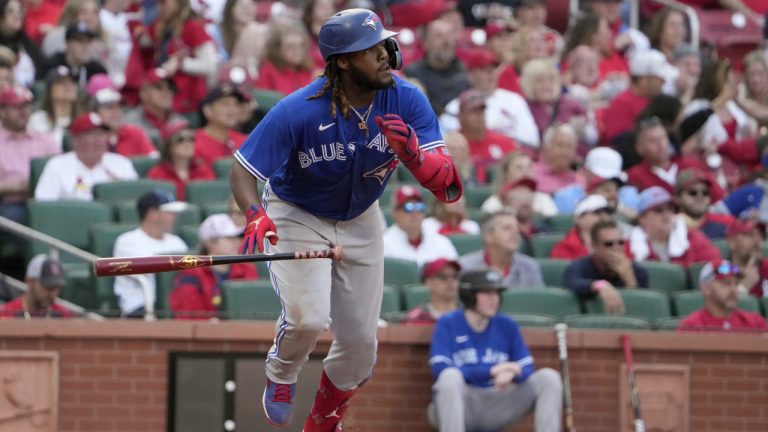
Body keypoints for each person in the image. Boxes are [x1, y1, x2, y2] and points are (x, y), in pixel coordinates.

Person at [229, 9, 462, 431]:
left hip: (361, 216)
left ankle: (323, 420)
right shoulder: (297, 109)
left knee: (360, 347)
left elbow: (448, 184)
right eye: (369, 50)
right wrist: (254, 213)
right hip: (297, 212)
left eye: (383, 45)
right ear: (342, 61)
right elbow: (244, 169)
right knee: (308, 319)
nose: (384, 55)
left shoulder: (406, 99)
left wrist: (413, 156)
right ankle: (281, 374)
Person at [428, 267, 563, 432]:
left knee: (548, 378)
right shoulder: (448, 322)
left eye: (497, 294)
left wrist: (513, 372)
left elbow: (527, 367)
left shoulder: (507, 325)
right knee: (449, 377)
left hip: (498, 401)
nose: (494, 300)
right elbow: (439, 367)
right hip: (464, 402)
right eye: (487, 294)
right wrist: (491, 371)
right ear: (469, 295)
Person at [112, 189, 189, 316]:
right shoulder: (127, 241)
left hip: (172, 305)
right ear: (153, 213)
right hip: (139, 307)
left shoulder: (177, 242)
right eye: (170, 213)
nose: (175, 217)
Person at [169, 213, 258, 320]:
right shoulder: (191, 273)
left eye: (238, 237)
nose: (236, 242)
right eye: (229, 238)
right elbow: (186, 314)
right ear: (211, 243)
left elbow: (253, 307)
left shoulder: (246, 269)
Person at [34, 112, 138, 200]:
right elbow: (43, 203)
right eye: (91, 135)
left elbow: (135, 202)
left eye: (101, 134)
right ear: (75, 140)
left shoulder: (121, 163)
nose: (98, 140)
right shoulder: (56, 165)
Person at [563, 220, 649, 314]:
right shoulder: (579, 266)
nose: (616, 248)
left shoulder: (638, 271)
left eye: (620, 243)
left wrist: (630, 280)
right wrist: (599, 285)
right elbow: (571, 282)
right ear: (594, 246)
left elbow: (642, 309)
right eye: (608, 244)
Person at [0, 86, 58, 222]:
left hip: (46, 201)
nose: (24, 112)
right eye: (17, 108)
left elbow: (62, 170)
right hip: (10, 203)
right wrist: (17, 187)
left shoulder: (45, 139)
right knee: (18, 216)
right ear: (2, 111)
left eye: (26, 107)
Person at [625, 186, 721, 267]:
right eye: (659, 210)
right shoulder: (629, 246)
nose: (666, 215)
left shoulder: (693, 238)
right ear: (642, 218)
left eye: (670, 209)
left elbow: (715, 265)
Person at [459, 210, 544, 289]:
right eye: (507, 228)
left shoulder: (529, 267)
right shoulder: (465, 267)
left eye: (516, 228)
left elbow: (539, 303)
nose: (515, 232)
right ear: (488, 236)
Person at [678, 259, 768, 332]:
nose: (733, 289)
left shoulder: (755, 323)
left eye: (736, 284)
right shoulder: (692, 327)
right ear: (706, 288)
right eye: (726, 283)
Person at [403, 18, 469, 115]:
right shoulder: (413, 73)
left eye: (449, 35)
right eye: (439, 36)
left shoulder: (465, 71)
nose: (446, 41)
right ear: (425, 43)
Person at [383, 185, 459, 266]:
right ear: (395, 213)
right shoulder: (384, 244)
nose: (415, 212)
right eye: (409, 207)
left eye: (419, 206)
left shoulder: (441, 241)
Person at [456, 89, 518, 184]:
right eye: (473, 111)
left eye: (482, 110)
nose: (479, 115)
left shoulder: (504, 141)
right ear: (461, 116)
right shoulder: (453, 143)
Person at [147, 119, 215, 200]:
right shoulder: (157, 174)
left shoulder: (204, 171)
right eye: (180, 139)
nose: (187, 143)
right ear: (169, 146)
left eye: (191, 139)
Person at [122, 68, 187, 148]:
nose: (166, 92)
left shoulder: (181, 122)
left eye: (170, 88)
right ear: (143, 93)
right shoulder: (129, 123)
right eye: (159, 87)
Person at [0, 254, 74, 319]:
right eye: (47, 285)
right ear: (29, 280)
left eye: (56, 287)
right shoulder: (7, 314)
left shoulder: (64, 315)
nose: (52, 293)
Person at [92, 87, 158, 157]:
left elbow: (153, 157)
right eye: (109, 107)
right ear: (95, 113)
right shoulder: (89, 138)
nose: (116, 112)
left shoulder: (134, 133)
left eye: (119, 107)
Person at [255, 21, 315, 96]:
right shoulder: (268, 71)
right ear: (278, 49)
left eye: (301, 45)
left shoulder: (308, 70)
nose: (297, 50)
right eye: (290, 46)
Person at [194, 85, 248, 166]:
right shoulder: (194, 142)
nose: (232, 109)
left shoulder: (245, 141)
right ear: (208, 110)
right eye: (225, 104)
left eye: (236, 104)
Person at [27, 65, 79, 149]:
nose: (68, 86)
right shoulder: (37, 119)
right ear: (50, 90)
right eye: (61, 83)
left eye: (72, 82)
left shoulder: (82, 119)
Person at [43, 22, 107, 87]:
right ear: (67, 44)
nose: (84, 46)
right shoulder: (54, 65)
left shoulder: (97, 70)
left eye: (88, 41)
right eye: (79, 41)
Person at [551, 195, 615, 260]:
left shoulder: (619, 244)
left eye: (607, 213)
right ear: (580, 219)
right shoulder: (564, 248)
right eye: (597, 212)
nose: (604, 216)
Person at [675, 168, 733, 239]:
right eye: (693, 192)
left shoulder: (726, 222)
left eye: (705, 193)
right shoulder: (668, 225)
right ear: (678, 197)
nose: (700, 197)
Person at [402, 258, 461, 325]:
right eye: (442, 277)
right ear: (428, 282)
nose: (450, 281)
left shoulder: (470, 315)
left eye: (455, 276)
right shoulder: (415, 319)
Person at [531, 124, 585, 194]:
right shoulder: (532, 173)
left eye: (569, 147)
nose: (565, 151)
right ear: (547, 147)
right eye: (560, 145)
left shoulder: (579, 180)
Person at [725, 219, 768, 299]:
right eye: (750, 235)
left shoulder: (766, 266)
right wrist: (744, 286)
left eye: (760, 235)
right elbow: (719, 309)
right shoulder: (722, 269)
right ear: (732, 242)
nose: (757, 240)